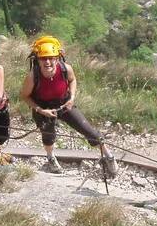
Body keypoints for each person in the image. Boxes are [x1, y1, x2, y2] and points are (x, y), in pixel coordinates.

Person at [20, 35, 117, 177]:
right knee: (48, 136)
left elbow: (72, 80)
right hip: (44, 108)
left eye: (51, 58)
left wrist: (71, 97)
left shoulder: (65, 69)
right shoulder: (32, 76)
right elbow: (25, 96)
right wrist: (40, 110)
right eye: (43, 58)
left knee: (89, 132)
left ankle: (109, 156)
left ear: (57, 58)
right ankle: (51, 158)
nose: (47, 62)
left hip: (64, 104)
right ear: (37, 59)